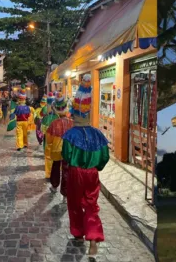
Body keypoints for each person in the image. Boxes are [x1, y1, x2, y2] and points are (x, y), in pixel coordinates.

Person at [62, 74, 108, 258]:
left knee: (74, 203)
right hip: (92, 174)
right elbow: (104, 158)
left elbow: (66, 156)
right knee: (91, 205)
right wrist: (95, 167)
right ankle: (94, 238)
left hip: (75, 173)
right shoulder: (98, 135)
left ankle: (78, 233)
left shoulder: (71, 134)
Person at [46, 93, 74, 201]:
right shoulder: (72, 124)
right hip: (68, 151)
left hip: (56, 150)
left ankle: (54, 186)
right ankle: (65, 194)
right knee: (66, 171)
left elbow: (49, 140)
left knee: (55, 168)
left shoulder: (54, 124)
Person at [41, 92, 58, 179]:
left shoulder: (45, 110)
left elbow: (41, 115)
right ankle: (57, 171)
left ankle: (48, 174)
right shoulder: (57, 114)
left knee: (48, 153)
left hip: (48, 135)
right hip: (57, 137)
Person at [15, 85, 30, 151]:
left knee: (19, 134)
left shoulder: (17, 107)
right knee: (25, 133)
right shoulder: (27, 107)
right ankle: (25, 144)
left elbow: (15, 113)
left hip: (19, 122)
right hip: (25, 122)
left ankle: (19, 146)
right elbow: (29, 115)